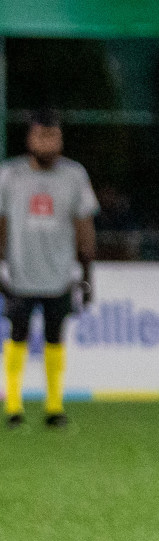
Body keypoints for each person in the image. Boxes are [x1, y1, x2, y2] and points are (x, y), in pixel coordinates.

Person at [2, 109, 98, 429]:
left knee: (55, 338)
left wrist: (87, 275)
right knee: (17, 336)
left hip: (59, 275)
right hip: (20, 274)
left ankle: (54, 407)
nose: (48, 142)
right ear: (30, 138)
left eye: (54, 136)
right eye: (42, 135)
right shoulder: (10, 175)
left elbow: (84, 225)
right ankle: (13, 406)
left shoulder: (74, 175)